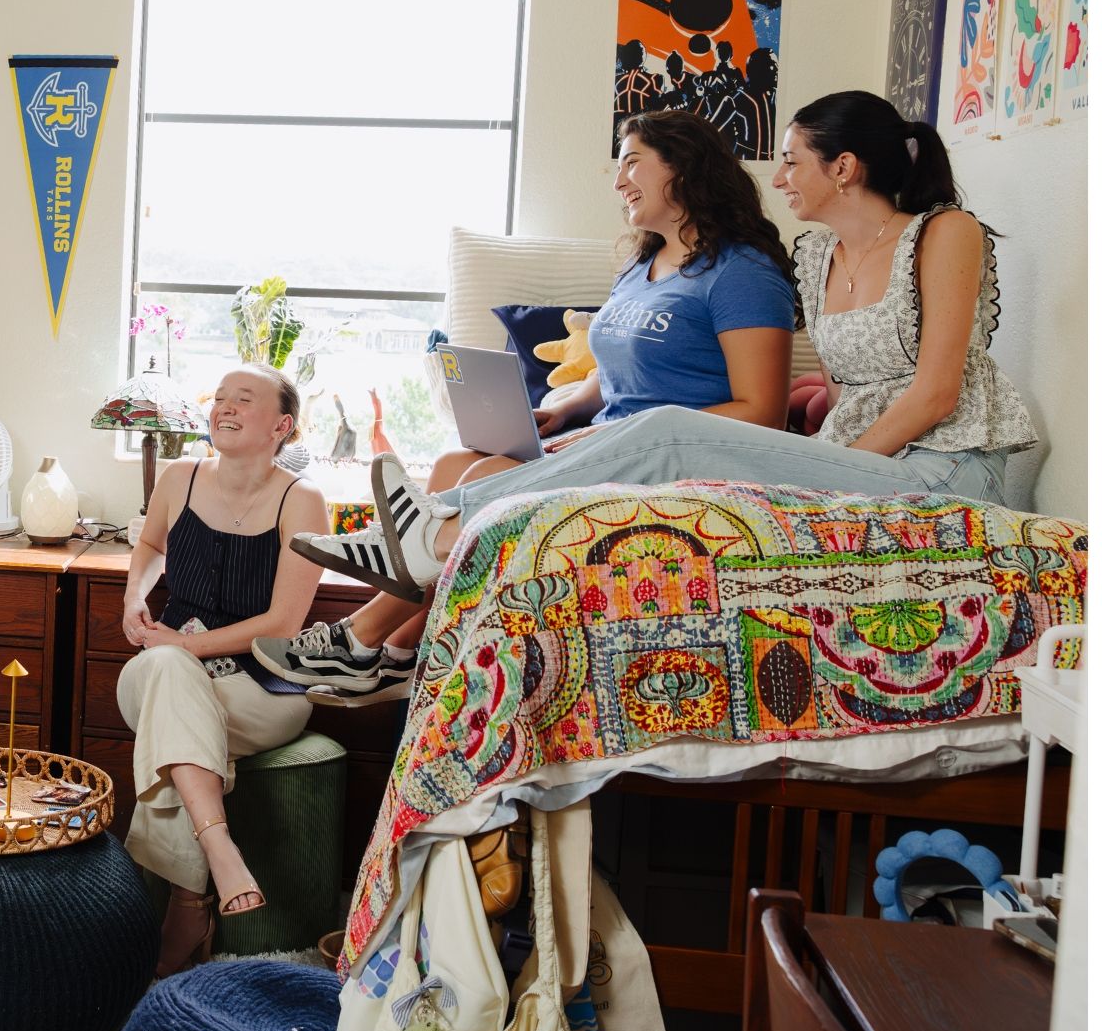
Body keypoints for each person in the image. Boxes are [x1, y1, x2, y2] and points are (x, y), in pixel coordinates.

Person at [260, 91, 1036, 706]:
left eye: (795, 158)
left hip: (946, 470)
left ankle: (426, 546)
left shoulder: (945, 231)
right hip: (861, 460)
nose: (779, 175)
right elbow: (846, 388)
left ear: (846, 166)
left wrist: (818, 465)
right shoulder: (819, 254)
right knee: (480, 459)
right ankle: (401, 603)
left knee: (663, 428)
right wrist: (813, 436)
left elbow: (934, 392)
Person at [256, 108, 800, 702]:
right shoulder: (644, 264)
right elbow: (617, 367)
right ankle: (394, 655)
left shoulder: (742, 273)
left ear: (685, 165)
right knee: (450, 464)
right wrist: (566, 409)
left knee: (490, 479)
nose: (619, 182)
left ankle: (360, 639)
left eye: (632, 163)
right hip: (606, 437)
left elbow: (764, 413)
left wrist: (627, 432)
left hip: (672, 462)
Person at [117, 364, 329, 977]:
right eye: (220, 398)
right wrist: (135, 598)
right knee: (170, 677)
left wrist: (188, 648)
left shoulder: (303, 498)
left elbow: (285, 623)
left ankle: (187, 903)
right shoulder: (178, 477)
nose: (224, 407)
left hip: (262, 686)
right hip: (162, 669)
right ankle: (216, 852)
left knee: (178, 697)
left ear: (282, 426)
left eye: (245, 399)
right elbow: (152, 548)